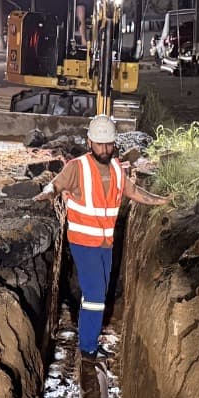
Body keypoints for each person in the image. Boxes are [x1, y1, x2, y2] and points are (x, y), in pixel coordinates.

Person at [34, 115, 168, 359]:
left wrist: (160, 201)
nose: (104, 149)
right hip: (83, 243)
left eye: (108, 144)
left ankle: (89, 338)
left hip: (105, 243)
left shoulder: (117, 167)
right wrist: (46, 193)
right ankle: (87, 347)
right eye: (99, 144)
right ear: (89, 142)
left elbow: (133, 191)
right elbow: (55, 184)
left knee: (99, 292)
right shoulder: (77, 167)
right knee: (95, 296)